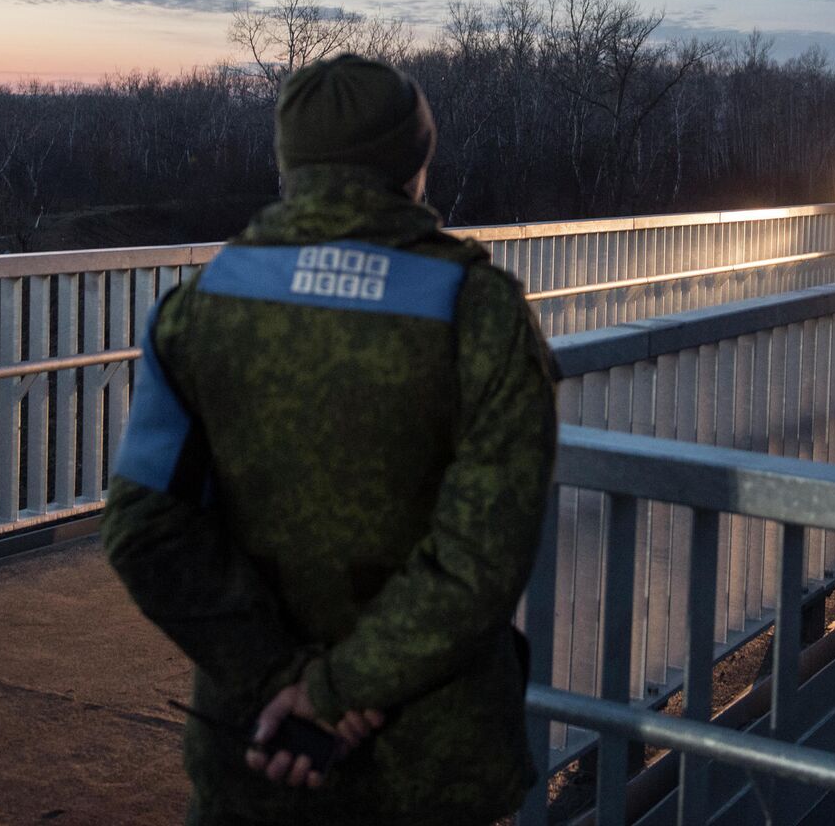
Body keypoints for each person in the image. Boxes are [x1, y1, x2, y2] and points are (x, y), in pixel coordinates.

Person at [101, 54, 559, 826]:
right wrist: (335, 695)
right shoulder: (479, 312)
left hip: (258, 752)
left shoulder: (201, 306)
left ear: (289, 164)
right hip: (434, 768)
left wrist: (282, 684)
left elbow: (144, 528)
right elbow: (483, 555)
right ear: (416, 161)